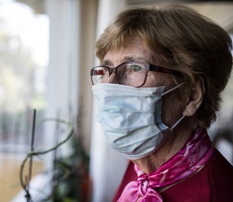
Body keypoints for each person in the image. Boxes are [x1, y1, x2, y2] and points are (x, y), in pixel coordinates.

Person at [90, 4, 233, 202]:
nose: (109, 84)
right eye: (106, 69)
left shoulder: (217, 194)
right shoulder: (143, 166)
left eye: (134, 67)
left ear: (191, 95)